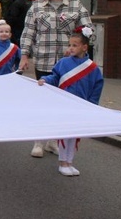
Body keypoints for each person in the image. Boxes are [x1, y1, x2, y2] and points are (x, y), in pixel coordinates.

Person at [19, 0, 93, 158]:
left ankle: (53, 141)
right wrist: (24, 55)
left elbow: (89, 30)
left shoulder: (75, 5)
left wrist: (77, 44)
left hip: (68, 64)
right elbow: (28, 33)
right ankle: (39, 141)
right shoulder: (36, 7)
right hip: (44, 60)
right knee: (44, 102)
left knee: (61, 104)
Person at [38, 27, 103, 177]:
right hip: (64, 105)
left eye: (75, 45)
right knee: (65, 134)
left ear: (84, 47)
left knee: (74, 135)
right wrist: (45, 79)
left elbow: (96, 88)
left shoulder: (93, 68)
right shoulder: (63, 63)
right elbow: (54, 77)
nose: (71, 48)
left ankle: (70, 162)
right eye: (70, 45)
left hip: (80, 106)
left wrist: (92, 105)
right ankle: (62, 162)